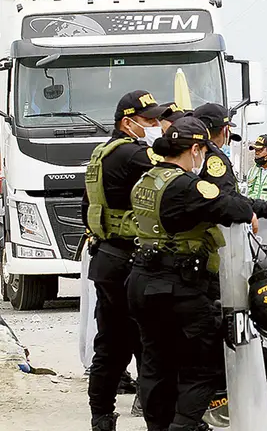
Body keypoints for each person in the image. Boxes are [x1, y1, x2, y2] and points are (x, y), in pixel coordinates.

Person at [127, 116, 265, 431]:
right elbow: (234, 208)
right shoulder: (188, 185)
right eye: (202, 150)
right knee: (203, 365)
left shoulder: (147, 180)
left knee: (155, 364)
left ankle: (159, 427)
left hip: (142, 281)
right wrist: (265, 210)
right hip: (179, 285)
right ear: (194, 149)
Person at [82, 90, 167, 431]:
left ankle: (101, 416)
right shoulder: (134, 155)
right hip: (132, 262)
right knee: (150, 344)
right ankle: (157, 420)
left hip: (106, 258)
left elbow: (86, 207)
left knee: (110, 344)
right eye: (149, 121)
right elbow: (175, 181)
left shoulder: (101, 154)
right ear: (127, 123)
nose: (157, 126)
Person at [192, 103, 267, 228]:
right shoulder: (213, 158)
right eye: (256, 151)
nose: (256, 154)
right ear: (225, 130)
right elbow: (227, 200)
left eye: (259, 151)